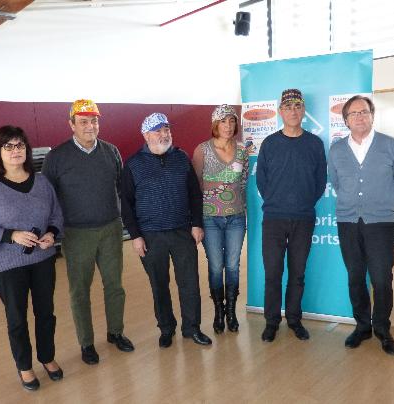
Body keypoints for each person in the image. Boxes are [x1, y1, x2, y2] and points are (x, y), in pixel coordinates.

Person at [0, 126, 64, 391]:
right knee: (17, 318)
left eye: (19, 145)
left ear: (27, 149)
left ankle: (47, 357)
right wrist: (11, 235)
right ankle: (25, 366)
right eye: (8, 146)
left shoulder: (42, 182)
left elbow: (56, 215)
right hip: (8, 265)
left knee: (46, 313)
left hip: (42, 260)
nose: (15, 151)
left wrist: (51, 234)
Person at [42, 99, 134, 365]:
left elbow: (121, 188)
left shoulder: (111, 152)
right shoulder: (57, 157)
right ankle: (86, 343)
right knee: (79, 291)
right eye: (83, 121)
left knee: (114, 285)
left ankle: (116, 332)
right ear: (71, 124)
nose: (90, 126)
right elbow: (47, 198)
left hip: (110, 230)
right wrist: (51, 231)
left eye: (94, 120)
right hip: (76, 233)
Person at [328, 95, 394, 355]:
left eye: (364, 112)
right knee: (355, 276)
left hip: (380, 222)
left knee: (381, 278)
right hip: (348, 221)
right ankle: (362, 326)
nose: (359, 117)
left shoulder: (392, 146)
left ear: (372, 115)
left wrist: (384, 207)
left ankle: (383, 329)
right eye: (353, 114)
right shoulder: (337, 149)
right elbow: (336, 182)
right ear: (346, 121)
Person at [121, 112, 212, 348]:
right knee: (159, 284)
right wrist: (136, 236)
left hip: (183, 232)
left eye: (167, 130)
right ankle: (166, 328)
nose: (164, 134)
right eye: (158, 130)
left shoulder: (181, 158)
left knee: (189, 283)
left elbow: (194, 194)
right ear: (146, 135)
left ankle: (192, 328)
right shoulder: (133, 164)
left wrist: (197, 224)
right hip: (150, 236)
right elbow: (126, 204)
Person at [256, 89, 327, 343]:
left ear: (303, 110)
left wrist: (304, 202)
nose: (293, 111)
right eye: (288, 107)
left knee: (298, 273)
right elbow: (261, 181)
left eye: (298, 106)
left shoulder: (314, 144)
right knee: (273, 273)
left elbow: (320, 182)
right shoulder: (270, 144)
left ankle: (294, 320)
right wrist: (277, 201)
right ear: (280, 112)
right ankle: (271, 321)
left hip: (304, 218)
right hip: (273, 219)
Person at [192, 104, 249, 334]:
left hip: (236, 217)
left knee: (233, 266)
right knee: (216, 267)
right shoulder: (202, 150)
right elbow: (194, 187)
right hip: (209, 219)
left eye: (232, 121)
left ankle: (232, 312)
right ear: (215, 124)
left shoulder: (243, 150)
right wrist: (194, 221)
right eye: (223, 121)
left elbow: (243, 183)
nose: (228, 126)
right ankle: (218, 310)